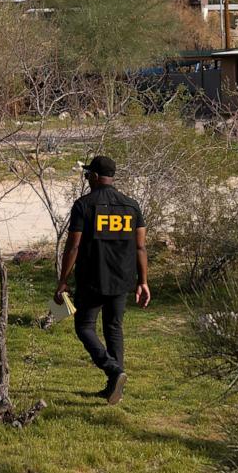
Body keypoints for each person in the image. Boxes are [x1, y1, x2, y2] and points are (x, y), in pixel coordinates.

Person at [54, 155, 150, 405]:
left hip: (92, 280)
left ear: (95, 177)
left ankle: (113, 371)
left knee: (84, 327)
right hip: (122, 280)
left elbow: (73, 247)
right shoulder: (132, 206)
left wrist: (63, 280)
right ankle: (114, 388)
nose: (86, 180)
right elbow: (141, 248)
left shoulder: (83, 205)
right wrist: (143, 281)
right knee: (113, 328)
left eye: (87, 175)